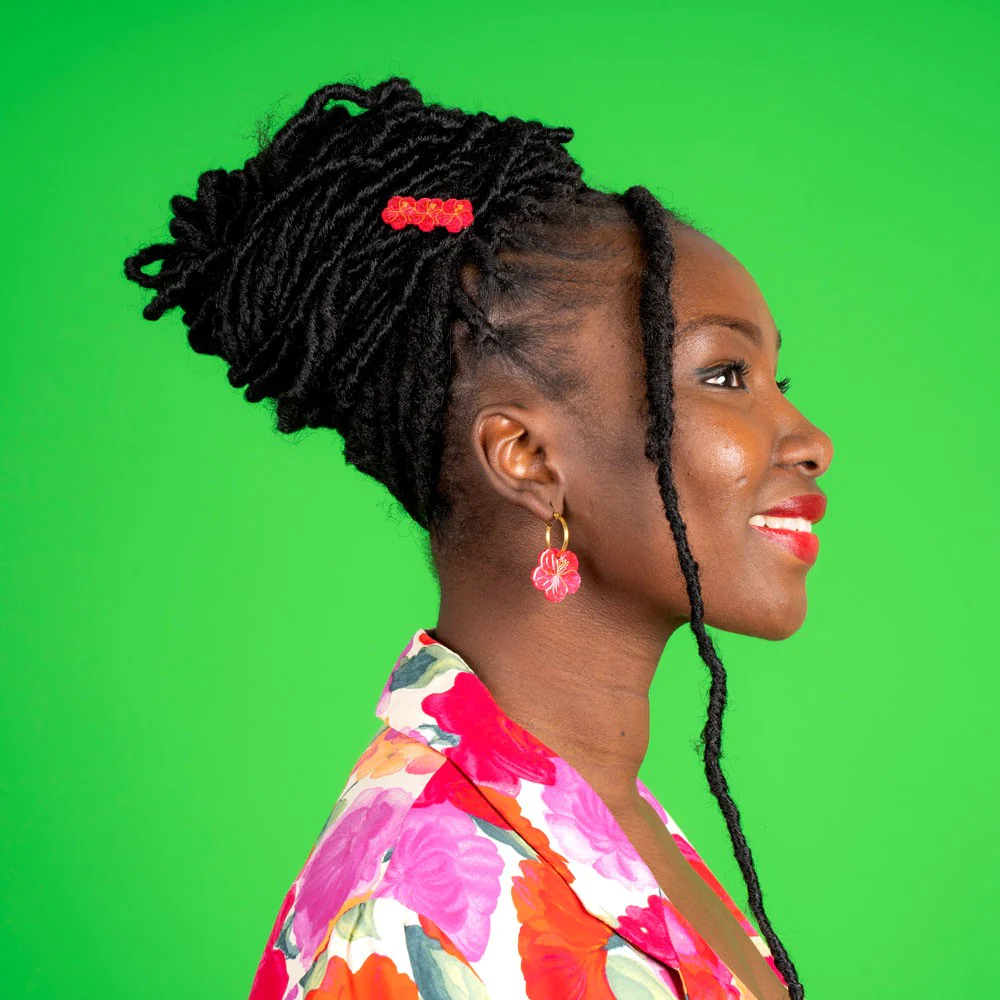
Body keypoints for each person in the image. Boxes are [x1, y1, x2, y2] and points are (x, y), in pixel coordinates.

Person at [123, 76, 833, 1000]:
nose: (811, 441)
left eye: (778, 380)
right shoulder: (412, 918)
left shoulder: (600, 816)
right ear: (527, 457)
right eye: (727, 375)